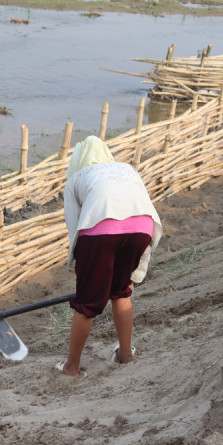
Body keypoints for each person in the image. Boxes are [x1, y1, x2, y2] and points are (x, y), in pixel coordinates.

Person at [58, 136, 162, 378]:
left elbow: (75, 228)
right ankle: (125, 356)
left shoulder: (76, 178)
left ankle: (71, 368)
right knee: (122, 291)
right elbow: (142, 204)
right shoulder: (126, 169)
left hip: (100, 234)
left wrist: (82, 270)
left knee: (87, 304)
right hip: (142, 228)